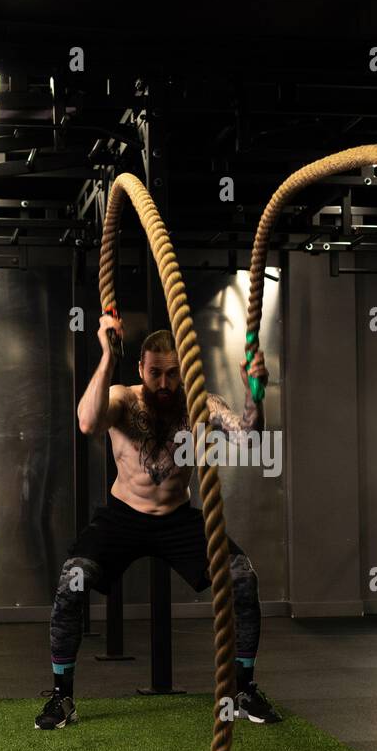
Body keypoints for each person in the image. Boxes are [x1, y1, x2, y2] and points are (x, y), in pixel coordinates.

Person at [35, 311, 282, 729]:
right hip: (123, 516)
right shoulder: (123, 398)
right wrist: (105, 357)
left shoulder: (200, 404)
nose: (164, 384)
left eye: (171, 374)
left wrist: (253, 391)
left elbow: (249, 437)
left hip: (177, 519)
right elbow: (87, 421)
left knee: (243, 578)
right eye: (155, 374)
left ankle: (244, 689)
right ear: (140, 369)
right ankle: (63, 696)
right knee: (71, 580)